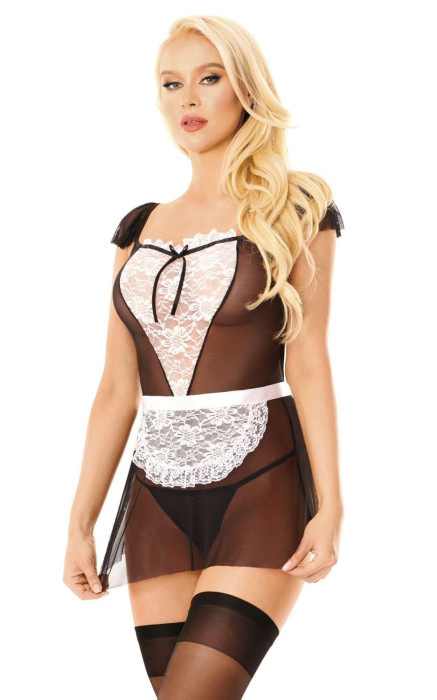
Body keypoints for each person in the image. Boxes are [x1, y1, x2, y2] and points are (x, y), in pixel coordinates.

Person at [63, 14, 345, 699]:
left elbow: (308, 362)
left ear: (244, 89)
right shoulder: (138, 229)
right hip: (154, 498)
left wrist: (332, 504)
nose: (187, 98)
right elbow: (116, 389)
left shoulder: (297, 206)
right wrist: (79, 524)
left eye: (209, 79)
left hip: (262, 482)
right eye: (171, 83)